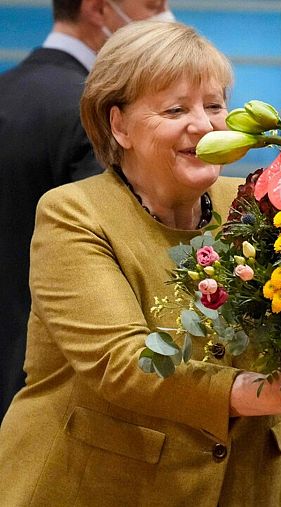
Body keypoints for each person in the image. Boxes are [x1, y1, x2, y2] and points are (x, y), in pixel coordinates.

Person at [0, 21, 281, 506]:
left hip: (245, 487)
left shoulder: (261, 202)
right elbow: (124, 365)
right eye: (176, 109)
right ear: (119, 125)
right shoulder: (73, 213)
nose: (204, 124)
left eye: (214, 105)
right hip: (100, 487)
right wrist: (273, 393)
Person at [0, 0, 175, 419]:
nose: (166, 16)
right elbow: (116, 242)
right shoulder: (97, 114)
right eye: (153, 5)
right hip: (59, 374)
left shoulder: (9, 89)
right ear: (98, 9)